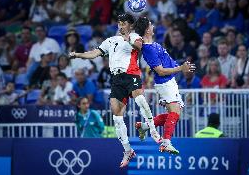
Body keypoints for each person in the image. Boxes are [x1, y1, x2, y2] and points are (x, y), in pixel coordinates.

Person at [69, 13, 160, 168]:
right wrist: (78, 55)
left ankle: (153, 131)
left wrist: (128, 38)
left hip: (131, 74)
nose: (120, 25)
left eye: (124, 23)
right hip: (116, 80)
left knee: (140, 100)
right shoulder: (110, 40)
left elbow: (139, 46)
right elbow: (94, 53)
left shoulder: (135, 36)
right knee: (117, 117)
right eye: (119, 23)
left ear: (130, 25)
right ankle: (127, 150)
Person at [132, 17, 196, 155]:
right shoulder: (148, 48)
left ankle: (143, 126)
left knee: (174, 114)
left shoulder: (153, 44)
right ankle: (166, 142)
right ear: (147, 30)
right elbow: (160, 70)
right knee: (175, 113)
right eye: (151, 25)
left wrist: (182, 66)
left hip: (169, 81)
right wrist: (181, 69)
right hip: (165, 82)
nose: (153, 26)